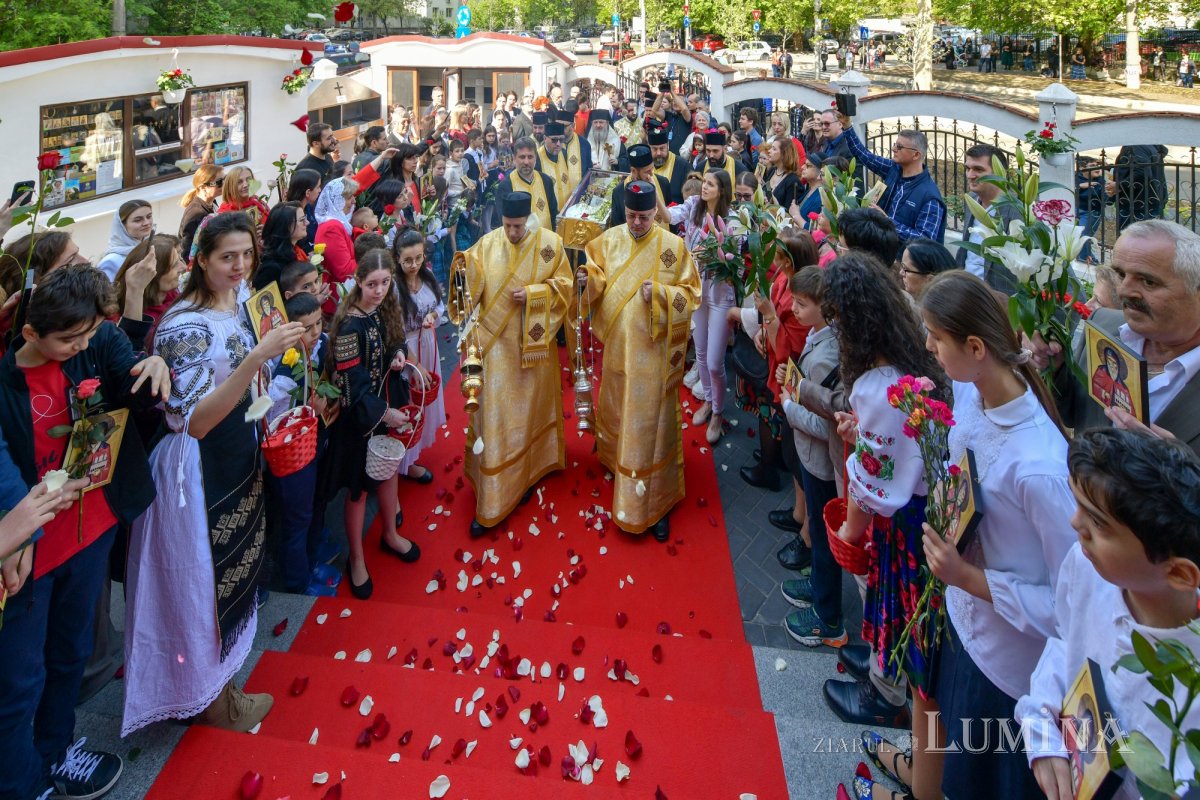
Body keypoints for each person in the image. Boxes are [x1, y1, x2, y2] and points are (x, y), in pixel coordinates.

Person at [856, 271, 1076, 800]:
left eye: (935, 336)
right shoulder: (972, 390)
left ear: (976, 346)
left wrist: (971, 578)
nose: (927, 347)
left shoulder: (1040, 469)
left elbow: (1071, 611)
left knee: (968, 774)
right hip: (953, 614)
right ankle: (917, 779)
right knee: (929, 714)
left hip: (1002, 663)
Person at [123, 213, 300, 742]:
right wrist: (257, 360)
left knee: (229, 572)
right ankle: (207, 698)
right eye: (228, 257)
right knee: (199, 583)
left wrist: (273, 364)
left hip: (233, 453)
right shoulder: (185, 324)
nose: (241, 265)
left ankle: (217, 687)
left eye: (246, 254)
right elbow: (196, 419)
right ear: (201, 260)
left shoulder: (241, 305)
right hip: (194, 471)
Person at [0, 265, 163, 800]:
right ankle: (25, 785)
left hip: (89, 531)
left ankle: (55, 753)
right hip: (29, 555)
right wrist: (18, 532)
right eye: (69, 340)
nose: (83, 346)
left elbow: (128, 374)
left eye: (89, 334)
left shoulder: (98, 340)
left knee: (70, 654)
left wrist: (150, 369)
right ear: (30, 334)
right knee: (18, 685)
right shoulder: (5, 382)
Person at [1017, 428, 1200, 800]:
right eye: (1080, 506)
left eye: (1098, 523)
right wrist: (1042, 731)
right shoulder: (1086, 567)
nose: (1075, 524)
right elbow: (1065, 644)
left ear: (1179, 573)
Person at [578, 181, 701, 540]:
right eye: (631, 216)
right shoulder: (608, 240)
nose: (636, 223)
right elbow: (596, 275)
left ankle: (658, 499)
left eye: (644, 217)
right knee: (619, 404)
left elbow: (691, 294)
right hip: (618, 348)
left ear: (655, 215)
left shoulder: (673, 248)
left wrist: (662, 294)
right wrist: (587, 279)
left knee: (652, 419)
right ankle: (618, 464)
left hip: (654, 354)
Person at [460, 192, 573, 539]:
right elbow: (468, 290)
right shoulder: (486, 245)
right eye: (507, 226)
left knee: (528, 413)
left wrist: (537, 293)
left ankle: (531, 470)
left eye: (518, 226)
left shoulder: (550, 244)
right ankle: (495, 494)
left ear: (529, 221)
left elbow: (565, 287)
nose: (511, 232)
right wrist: (459, 273)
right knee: (497, 418)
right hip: (496, 353)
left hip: (532, 351)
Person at [1034, 220, 1200, 454]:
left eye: (1148, 281)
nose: (1123, 291)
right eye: (1121, 274)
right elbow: (1072, 414)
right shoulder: (1103, 325)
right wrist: (1056, 366)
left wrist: (1179, 469)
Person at [323, 249, 420, 600]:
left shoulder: (382, 308)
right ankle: (357, 558)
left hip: (383, 409)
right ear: (358, 282)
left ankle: (390, 535)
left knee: (388, 468)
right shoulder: (350, 324)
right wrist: (385, 414)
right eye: (371, 284)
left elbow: (394, 337)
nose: (379, 291)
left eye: (384, 283)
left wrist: (398, 353)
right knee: (359, 489)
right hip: (359, 421)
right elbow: (352, 383)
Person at [777, 265, 846, 647]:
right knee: (819, 537)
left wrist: (790, 406)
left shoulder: (826, 356)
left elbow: (823, 424)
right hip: (811, 457)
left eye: (802, 304)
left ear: (825, 307)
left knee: (822, 536)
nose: (795, 310)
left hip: (820, 461)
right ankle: (818, 583)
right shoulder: (821, 338)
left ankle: (827, 617)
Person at [668, 169, 737, 444]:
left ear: (721, 190)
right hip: (697, 291)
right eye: (704, 182)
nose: (704, 187)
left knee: (714, 361)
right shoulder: (694, 206)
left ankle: (719, 412)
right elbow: (669, 216)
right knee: (701, 353)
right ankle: (708, 401)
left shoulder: (732, 219)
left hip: (720, 295)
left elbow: (734, 261)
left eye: (710, 184)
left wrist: (710, 256)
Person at [392, 229, 445, 483]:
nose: (414, 265)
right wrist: (416, 365)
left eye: (418, 258)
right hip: (407, 352)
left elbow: (438, 305)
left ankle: (413, 456)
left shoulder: (428, 276)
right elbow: (396, 332)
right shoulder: (394, 288)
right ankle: (404, 462)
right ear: (398, 260)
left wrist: (433, 316)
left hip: (427, 341)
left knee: (425, 399)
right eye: (408, 261)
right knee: (411, 403)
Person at [843, 127, 947, 243]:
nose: (893, 149)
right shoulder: (893, 169)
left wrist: (887, 222)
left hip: (904, 259)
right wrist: (847, 126)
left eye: (899, 147)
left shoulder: (930, 197)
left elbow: (925, 240)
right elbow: (864, 155)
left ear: (916, 155)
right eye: (895, 144)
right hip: (882, 251)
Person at [956, 144, 1021, 293]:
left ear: (999, 173)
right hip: (967, 295)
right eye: (968, 168)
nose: (970, 175)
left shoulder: (1017, 212)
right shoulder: (972, 200)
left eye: (978, 169)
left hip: (996, 305)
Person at [113, 234, 186, 350]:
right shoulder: (122, 315)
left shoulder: (175, 297)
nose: (183, 267)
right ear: (153, 274)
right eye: (174, 265)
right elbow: (131, 352)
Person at [493, 136, 558, 232]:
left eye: (530, 157)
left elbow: (554, 215)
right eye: (522, 157)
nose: (526, 162)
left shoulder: (546, 181)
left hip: (546, 243)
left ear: (536, 157)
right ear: (514, 158)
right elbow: (503, 224)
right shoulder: (506, 186)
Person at [1106, 144, 1169, 232]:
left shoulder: (1136, 146)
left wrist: (1119, 185)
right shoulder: (1149, 146)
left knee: (1131, 242)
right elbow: (1134, 168)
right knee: (1147, 240)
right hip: (1148, 201)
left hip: (1136, 204)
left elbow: (1142, 172)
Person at [608, 144, 671, 227]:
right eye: (647, 171)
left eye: (652, 169)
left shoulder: (663, 183)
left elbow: (671, 219)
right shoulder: (618, 192)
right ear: (634, 171)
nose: (651, 174)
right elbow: (617, 228)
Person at [255, 202, 309, 291]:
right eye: (302, 220)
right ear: (286, 226)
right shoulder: (271, 268)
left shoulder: (295, 251)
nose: (307, 222)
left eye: (305, 218)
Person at [96, 200, 154, 280]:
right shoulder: (110, 262)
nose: (146, 223)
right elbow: (107, 291)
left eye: (149, 216)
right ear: (122, 226)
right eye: (138, 220)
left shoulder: (151, 247)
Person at [179, 166, 224, 261]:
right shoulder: (196, 214)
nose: (224, 184)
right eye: (219, 182)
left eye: (225, 179)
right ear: (203, 187)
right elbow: (188, 251)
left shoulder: (211, 202)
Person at [648, 126, 689, 204]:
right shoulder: (644, 165)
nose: (658, 153)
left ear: (668, 146)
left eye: (662, 148)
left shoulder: (683, 166)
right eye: (654, 149)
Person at [761, 138, 804, 211]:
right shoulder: (772, 170)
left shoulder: (793, 181)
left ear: (784, 154)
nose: (769, 151)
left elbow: (790, 213)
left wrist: (775, 205)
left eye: (774, 149)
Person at [296, 123, 339, 187]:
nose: (334, 140)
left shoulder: (328, 157)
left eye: (332, 136)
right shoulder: (305, 169)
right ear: (316, 144)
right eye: (329, 138)